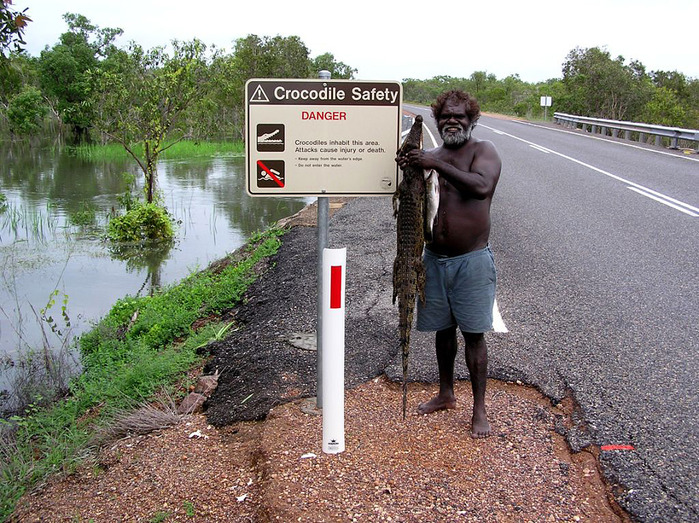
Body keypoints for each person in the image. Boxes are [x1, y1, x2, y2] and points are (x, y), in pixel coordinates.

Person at [395, 89, 502, 438]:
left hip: (471, 260)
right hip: (434, 260)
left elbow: (481, 187)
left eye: (459, 116)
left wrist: (434, 163)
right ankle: (445, 392)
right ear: (438, 121)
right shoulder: (432, 154)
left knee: (473, 333)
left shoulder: (483, 152)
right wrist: (410, 163)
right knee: (443, 330)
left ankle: (480, 409)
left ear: (472, 120)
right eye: (446, 117)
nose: (452, 121)